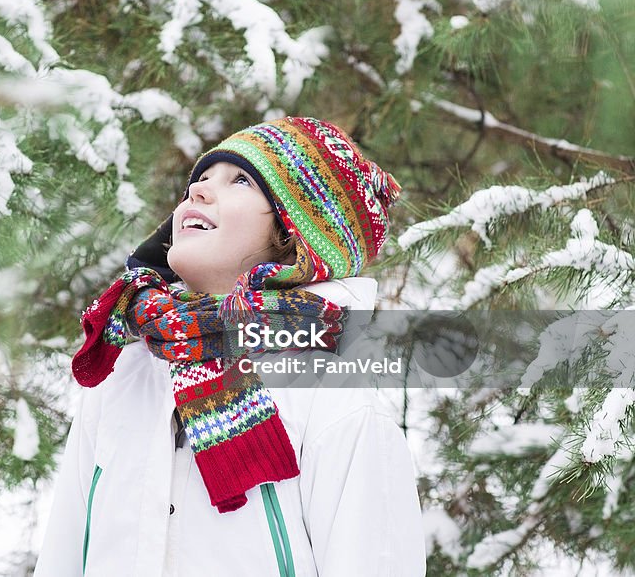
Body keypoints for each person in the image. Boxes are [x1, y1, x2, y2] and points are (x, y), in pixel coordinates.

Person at [34, 117, 426, 576]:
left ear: (293, 235)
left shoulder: (331, 397)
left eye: (240, 180)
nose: (197, 192)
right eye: (198, 181)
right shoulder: (126, 371)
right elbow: (64, 552)